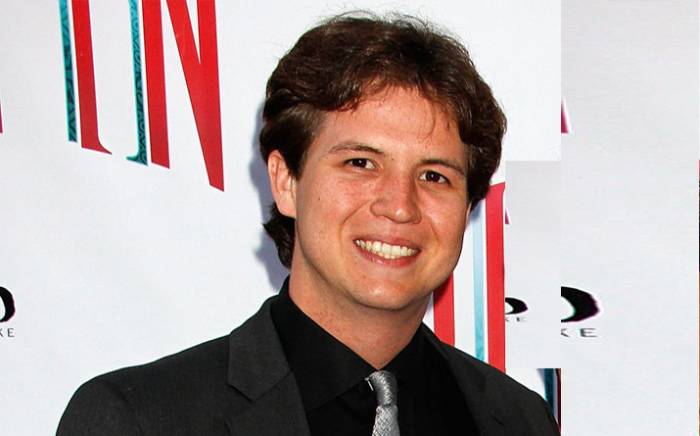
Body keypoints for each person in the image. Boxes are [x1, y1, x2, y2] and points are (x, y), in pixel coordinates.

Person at [57, 13, 559, 436]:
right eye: (361, 163)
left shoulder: (520, 421)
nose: (399, 206)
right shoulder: (139, 420)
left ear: (467, 206)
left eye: (434, 176)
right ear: (286, 181)